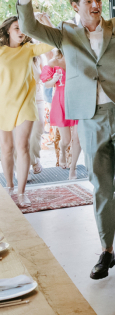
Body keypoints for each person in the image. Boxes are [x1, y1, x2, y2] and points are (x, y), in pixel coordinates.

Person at [17, 0, 115, 282]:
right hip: (90, 117)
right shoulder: (65, 32)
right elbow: (28, 25)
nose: (96, 4)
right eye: (89, 0)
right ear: (76, 6)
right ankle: (107, 251)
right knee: (101, 187)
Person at [0, 16, 53, 205]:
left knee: (22, 146)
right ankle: (9, 186)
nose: (21, 32)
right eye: (16, 28)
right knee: (6, 150)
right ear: (7, 30)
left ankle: (21, 192)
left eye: (24, 28)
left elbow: (51, 41)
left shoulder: (29, 49)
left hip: (25, 105)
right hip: (3, 106)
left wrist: (46, 23)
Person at [41, 49, 81, 180]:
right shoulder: (53, 62)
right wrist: (54, 79)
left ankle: (73, 168)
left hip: (77, 100)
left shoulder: (78, 58)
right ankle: (63, 151)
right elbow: (47, 84)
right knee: (66, 140)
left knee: (77, 138)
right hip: (61, 101)